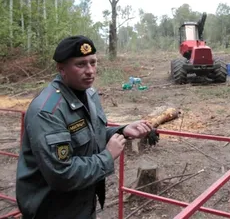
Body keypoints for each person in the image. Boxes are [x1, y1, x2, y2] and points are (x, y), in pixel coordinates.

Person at [16, 35, 153, 219]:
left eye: (93, 62)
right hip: (53, 211)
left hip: (82, 204)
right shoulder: (47, 111)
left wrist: (122, 130)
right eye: (80, 64)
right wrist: (107, 157)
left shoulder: (89, 93)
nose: (90, 71)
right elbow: (61, 174)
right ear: (61, 69)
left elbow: (90, 134)